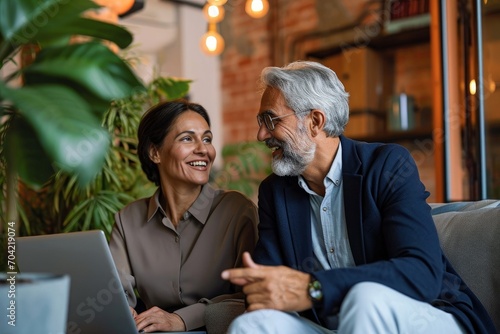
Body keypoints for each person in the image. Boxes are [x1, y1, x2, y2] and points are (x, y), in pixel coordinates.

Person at [221, 61, 496, 333]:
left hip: (426, 314)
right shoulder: (276, 191)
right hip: (333, 325)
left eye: (271, 120)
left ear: (315, 121)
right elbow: (268, 287)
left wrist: (314, 288)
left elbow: (422, 272)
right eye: (261, 122)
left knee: (365, 299)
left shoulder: (387, 165)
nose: (261, 135)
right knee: (252, 324)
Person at [109, 99, 259, 333]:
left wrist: (182, 320)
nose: (203, 149)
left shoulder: (237, 210)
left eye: (207, 139)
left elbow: (254, 298)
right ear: (155, 152)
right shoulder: (128, 220)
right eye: (188, 138)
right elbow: (114, 292)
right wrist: (119, 310)